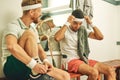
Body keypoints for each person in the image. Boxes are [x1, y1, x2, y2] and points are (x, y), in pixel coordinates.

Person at [1, 0, 70, 80]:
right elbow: (11, 46)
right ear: (31, 12)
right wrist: (34, 65)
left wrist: (45, 61)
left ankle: (35, 73)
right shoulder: (13, 26)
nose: (41, 14)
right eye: (39, 11)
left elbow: (40, 50)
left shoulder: (33, 28)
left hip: (28, 66)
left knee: (65, 76)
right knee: (28, 34)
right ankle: (35, 73)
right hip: (12, 68)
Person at [55, 9, 116, 80]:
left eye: (80, 23)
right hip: (69, 61)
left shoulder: (82, 30)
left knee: (110, 70)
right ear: (71, 21)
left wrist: (90, 23)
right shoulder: (65, 30)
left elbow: (100, 37)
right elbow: (57, 38)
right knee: (94, 72)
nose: (77, 26)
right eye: (75, 23)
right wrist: (67, 23)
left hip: (82, 59)